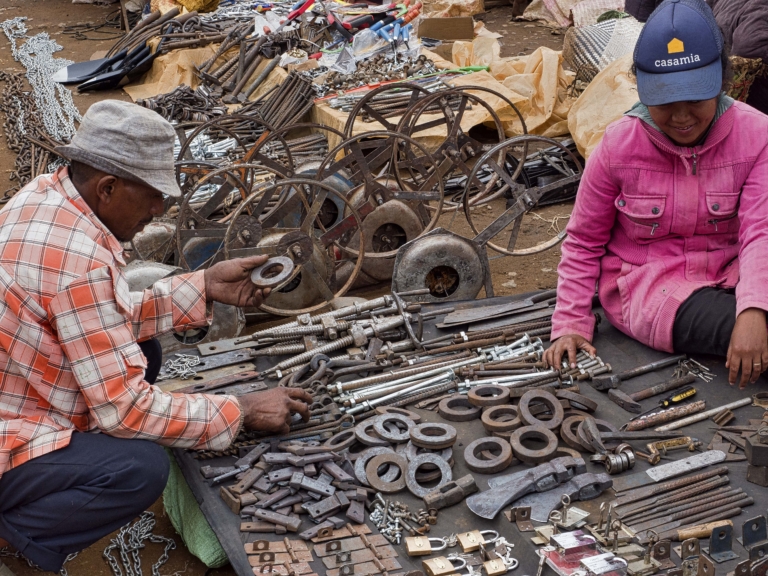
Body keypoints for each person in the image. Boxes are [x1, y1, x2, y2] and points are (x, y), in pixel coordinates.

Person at [0, 100, 312, 572]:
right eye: (151, 195)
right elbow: (124, 411)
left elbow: (97, 320)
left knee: (142, 352)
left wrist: (204, 285)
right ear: (107, 187)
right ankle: (15, 538)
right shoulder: (79, 262)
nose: (158, 209)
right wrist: (241, 410)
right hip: (12, 429)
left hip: (21, 385)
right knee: (138, 469)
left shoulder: (45, 195)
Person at [544, 0, 768, 389]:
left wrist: (753, 309)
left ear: (722, 83)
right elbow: (583, 242)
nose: (681, 117)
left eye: (695, 99)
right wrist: (570, 323)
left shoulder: (757, 135)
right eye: (665, 101)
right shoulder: (618, 146)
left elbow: (761, 232)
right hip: (655, 290)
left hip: (737, 276)